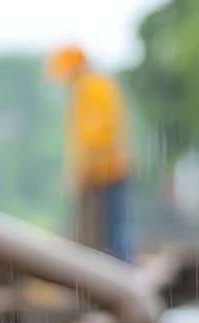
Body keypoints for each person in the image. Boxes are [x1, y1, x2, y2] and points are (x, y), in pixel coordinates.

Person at [46, 45, 134, 262]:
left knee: (110, 228)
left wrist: (79, 171)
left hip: (105, 171)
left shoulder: (91, 88)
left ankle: (117, 273)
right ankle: (115, 270)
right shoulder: (91, 86)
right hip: (103, 170)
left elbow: (96, 135)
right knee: (110, 227)